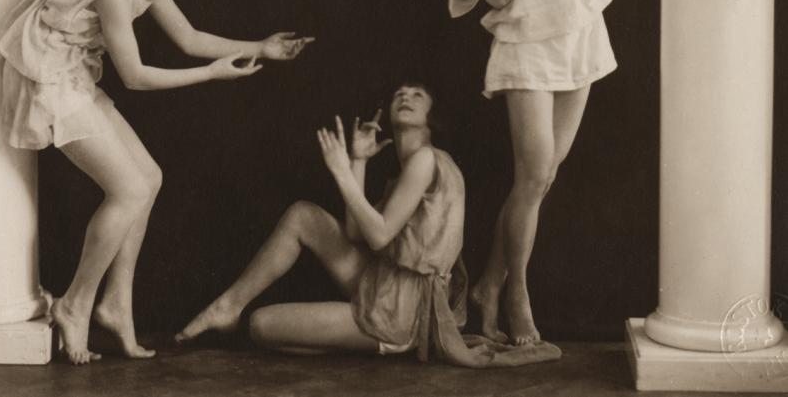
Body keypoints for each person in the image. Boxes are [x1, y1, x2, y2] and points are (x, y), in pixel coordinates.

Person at [0, 0, 313, 364]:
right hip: (49, 82)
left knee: (149, 178)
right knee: (128, 190)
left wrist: (260, 47)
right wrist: (211, 76)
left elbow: (189, 37)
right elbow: (136, 77)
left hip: (73, 76)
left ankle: (116, 306)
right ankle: (76, 303)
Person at [348, 0, 617, 346]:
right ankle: (516, 291)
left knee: (541, 180)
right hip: (530, 47)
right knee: (534, 175)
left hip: (578, 24)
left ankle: (489, 284)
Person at [175, 84, 560, 367]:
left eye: (418, 95)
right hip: (383, 283)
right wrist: (359, 162)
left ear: (432, 117)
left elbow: (377, 235)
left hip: (402, 311)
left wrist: (341, 174)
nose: (406, 97)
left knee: (261, 325)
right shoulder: (409, 168)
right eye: (399, 95)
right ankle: (228, 305)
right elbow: (358, 233)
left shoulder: (428, 159)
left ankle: (375, 342)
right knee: (303, 214)